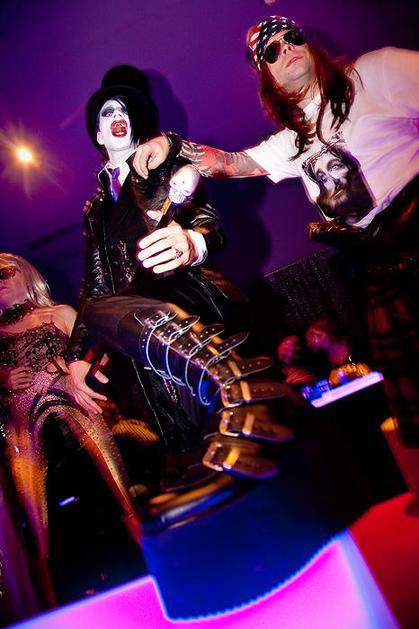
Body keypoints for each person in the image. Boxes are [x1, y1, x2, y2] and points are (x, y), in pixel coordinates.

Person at [135, 15, 419, 445]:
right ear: (266, 76)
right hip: (380, 269)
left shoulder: (374, 72)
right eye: (271, 50)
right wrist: (172, 144)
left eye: (293, 37)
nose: (286, 47)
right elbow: (231, 163)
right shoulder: (292, 142)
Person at [66, 65, 297, 484]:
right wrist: (76, 358)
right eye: (107, 112)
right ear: (98, 134)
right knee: (203, 444)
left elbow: (212, 227)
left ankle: (228, 386)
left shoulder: (164, 164)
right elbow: (94, 286)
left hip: (190, 308)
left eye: (124, 110)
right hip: (145, 349)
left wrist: (191, 243)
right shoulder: (95, 211)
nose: (117, 116)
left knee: (248, 427)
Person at [0, 253, 140, 607]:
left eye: (4, 272)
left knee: (112, 497)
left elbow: (104, 355)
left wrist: (77, 367)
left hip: (81, 424)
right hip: (27, 440)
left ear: (26, 274)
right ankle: (63, 606)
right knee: (47, 524)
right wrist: (2, 381)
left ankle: (144, 573)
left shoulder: (59, 314)